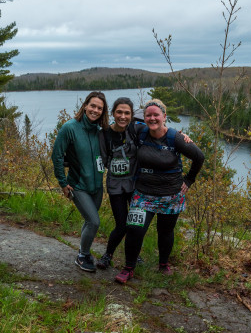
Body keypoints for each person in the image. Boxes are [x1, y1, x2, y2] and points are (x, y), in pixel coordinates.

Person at [115, 98, 205, 284]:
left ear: (164, 116)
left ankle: (163, 265)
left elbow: (199, 157)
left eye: (156, 115)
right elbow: (120, 124)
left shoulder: (175, 138)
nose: (152, 118)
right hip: (143, 193)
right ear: (144, 117)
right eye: (148, 115)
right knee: (134, 229)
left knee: (165, 232)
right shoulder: (139, 132)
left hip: (170, 195)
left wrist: (189, 180)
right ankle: (129, 268)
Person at [51, 91, 109, 272]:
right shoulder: (70, 127)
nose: (95, 110)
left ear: (103, 111)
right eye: (92, 106)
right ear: (85, 106)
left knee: (89, 220)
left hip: (98, 187)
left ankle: (83, 251)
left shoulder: (101, 131)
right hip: (78, 185)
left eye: (99, 108)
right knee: (94, 222)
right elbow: (57, 156)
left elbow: (125, 131)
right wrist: (62, 182)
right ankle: (83, 255)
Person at [96, 97, 144, 269]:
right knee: (122, 224)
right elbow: (100, 158)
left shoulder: (136, 130)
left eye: (127, 113)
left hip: (135, 185)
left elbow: (159, 131)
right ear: (113, 113)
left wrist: (181, 136)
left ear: (131, 115)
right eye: (119, 112)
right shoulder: (104, 134)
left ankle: (134, 254)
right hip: (115, 186)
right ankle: (108, 254)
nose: (123, 116)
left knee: (136, 223)